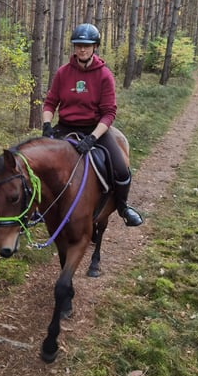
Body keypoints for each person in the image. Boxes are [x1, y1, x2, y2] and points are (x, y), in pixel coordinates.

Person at [41, 23, 143, 226]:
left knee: (121, 169)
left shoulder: (104, 74)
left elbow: (109, 113)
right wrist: (46, 125)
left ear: (95, 46)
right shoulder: (63, 72)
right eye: (78, 45)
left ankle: (123, 207)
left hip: (95, 129)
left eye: (87, 45)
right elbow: (50, 102)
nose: (82, 49)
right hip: (65, 126)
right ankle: (40, 207)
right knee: (40, 164)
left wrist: (93, 138)